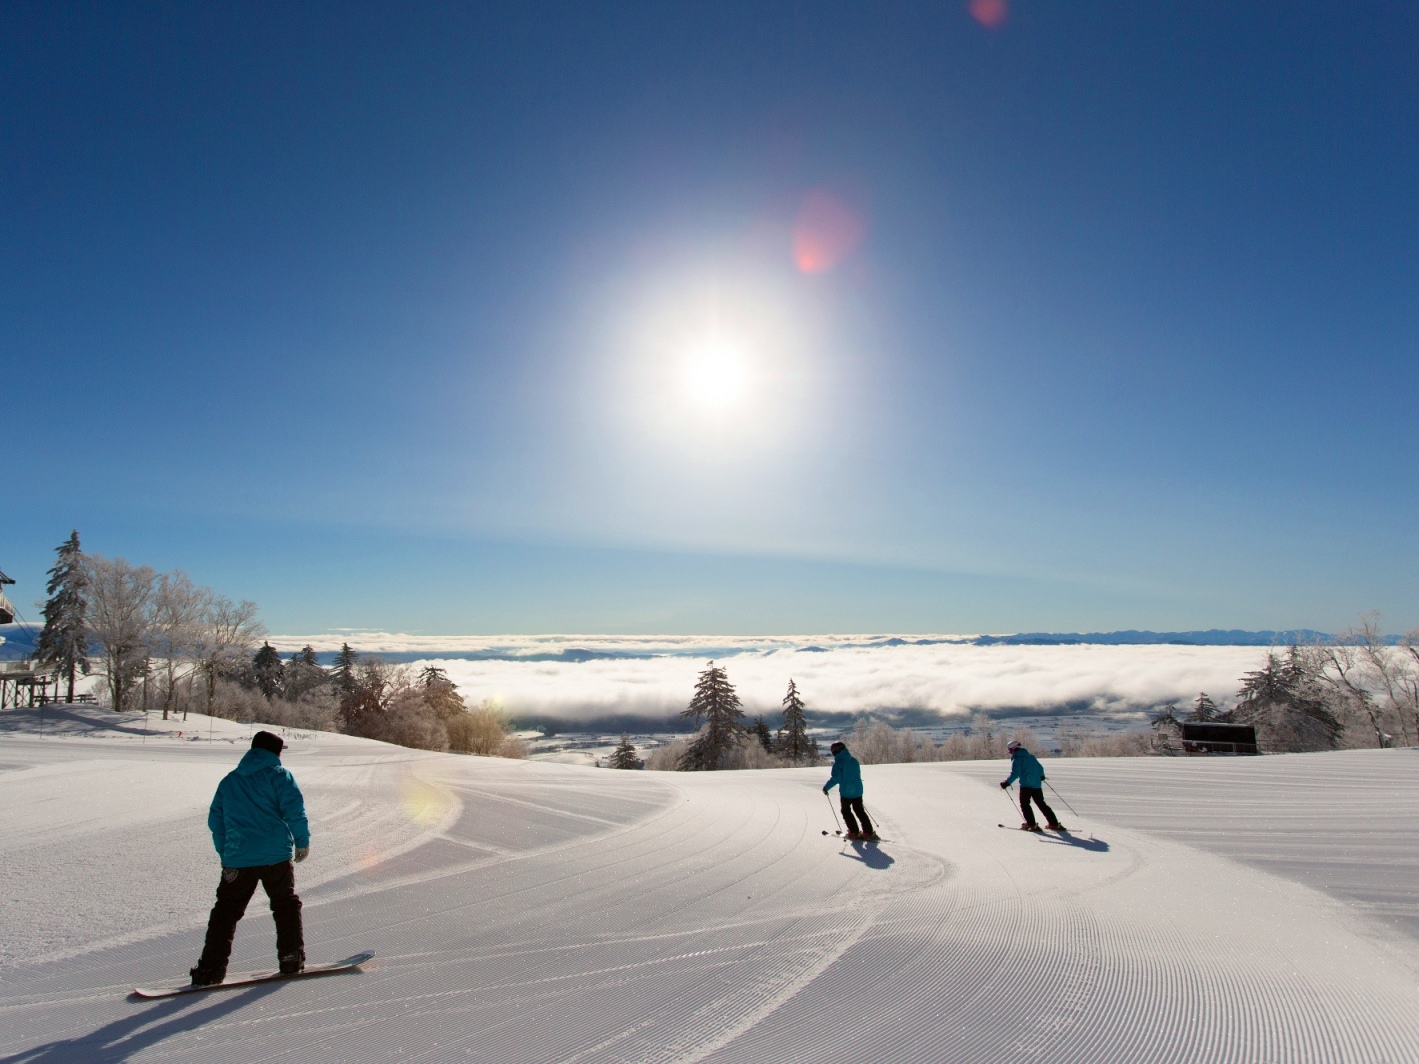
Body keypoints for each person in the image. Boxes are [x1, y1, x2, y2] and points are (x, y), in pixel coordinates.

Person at [190, 730, 310, 986]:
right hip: (274, 856)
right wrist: (302, 842)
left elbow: (216, 821)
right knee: (285, 905)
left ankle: (210, 971)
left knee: (225, 912)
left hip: (238, 858)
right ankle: (291, 958)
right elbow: (294, 811)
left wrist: (226, 852)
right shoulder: (280, 776)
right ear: (274, 752)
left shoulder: (229, 781)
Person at [1000, 739, 1063, 831]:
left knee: (1025, 804)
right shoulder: (1031, 757)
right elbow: (1040, 768)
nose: (1010, 752)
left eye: (1009, 750)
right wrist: (1041, 776)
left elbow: (1015, 774)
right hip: (1037, 785)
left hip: (1026, 786)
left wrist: (1007, 783)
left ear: (1013, 749)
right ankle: (1054, 823)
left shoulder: (1017, 759)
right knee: (1041, 804)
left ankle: (1031, 824)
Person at [823, 740, 878, 841]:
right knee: (860, 811)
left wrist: (826, 788)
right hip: (858, 791)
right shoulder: (854, 760)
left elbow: (836, 778)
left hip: (846, 792)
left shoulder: (838, 764)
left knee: (846, 811)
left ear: (835, 752)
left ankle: (854, 832)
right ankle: (868, 832)